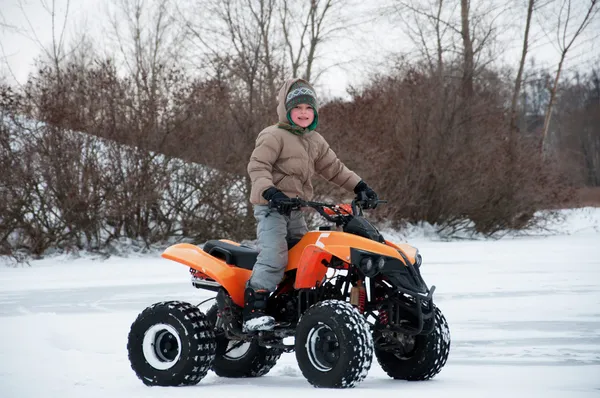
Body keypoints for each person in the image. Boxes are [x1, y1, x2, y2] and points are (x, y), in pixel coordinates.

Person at [244, 78, 378, 332]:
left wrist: (360, 186)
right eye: (298, 108)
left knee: (306, 256)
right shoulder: (273, 135)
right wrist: (270, 191)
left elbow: (334, 168)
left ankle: (293, 302)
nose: (303, 113)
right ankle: (254, 309)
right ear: (286, 109)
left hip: (295, 209)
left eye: (309, 108)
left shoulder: (314, 140)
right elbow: (257, 167)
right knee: (275, 255)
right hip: (271, 207)